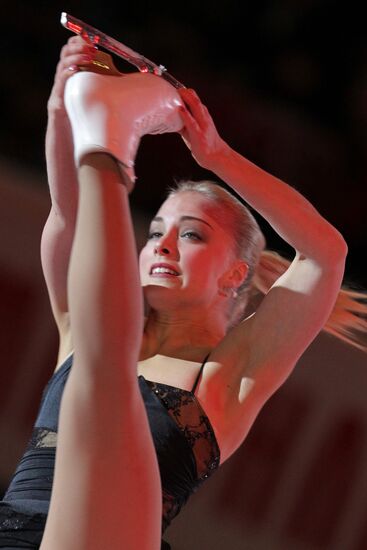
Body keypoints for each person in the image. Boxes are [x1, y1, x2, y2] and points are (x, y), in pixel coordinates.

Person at [0, 35, 366, 550]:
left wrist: (216, 154)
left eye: (190, 234)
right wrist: (60, 104)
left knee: (106, 361)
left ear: (235, 274)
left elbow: (325, 254)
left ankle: (108, 139)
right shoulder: (78, 330)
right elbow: (67, 214)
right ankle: (103, 135)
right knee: (102, 350)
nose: (163, 244)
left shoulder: (229, 373)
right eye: (154, 233)